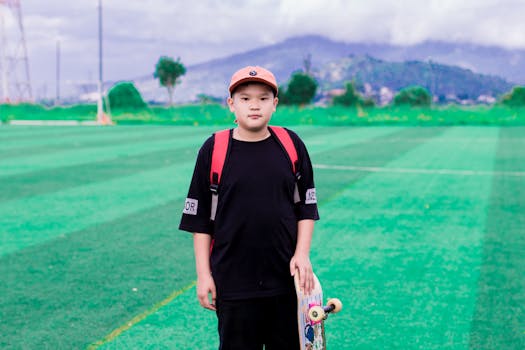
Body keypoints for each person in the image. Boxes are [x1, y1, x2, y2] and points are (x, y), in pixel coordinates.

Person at [179, 66, 320, 349]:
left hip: (285, 281)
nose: (254, 105)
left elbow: (306, 207)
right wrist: (204, 275)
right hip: (232, 282)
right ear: (231, 103)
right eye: (245, 98)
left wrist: (302, 254)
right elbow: (200, 223)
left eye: (263, 98)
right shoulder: (214, 149)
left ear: (275, 104)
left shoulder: (291, 145)